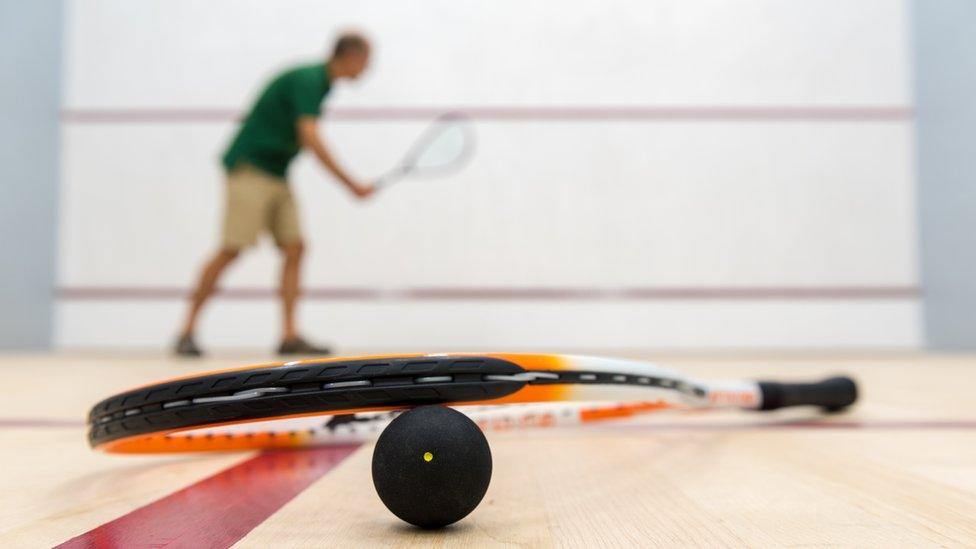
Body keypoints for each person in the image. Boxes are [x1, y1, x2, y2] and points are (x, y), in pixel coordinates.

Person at [175, 32, 374, 357]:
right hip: (250, 167)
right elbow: (310, 137)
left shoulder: (322, 84)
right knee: (231, 249)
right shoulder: (310, 79)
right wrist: (351, 184)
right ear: (351, 56)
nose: (367, 68)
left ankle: (289, 336)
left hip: (277, 173)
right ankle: (186, 331)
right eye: (366, 60)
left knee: (295, 247)